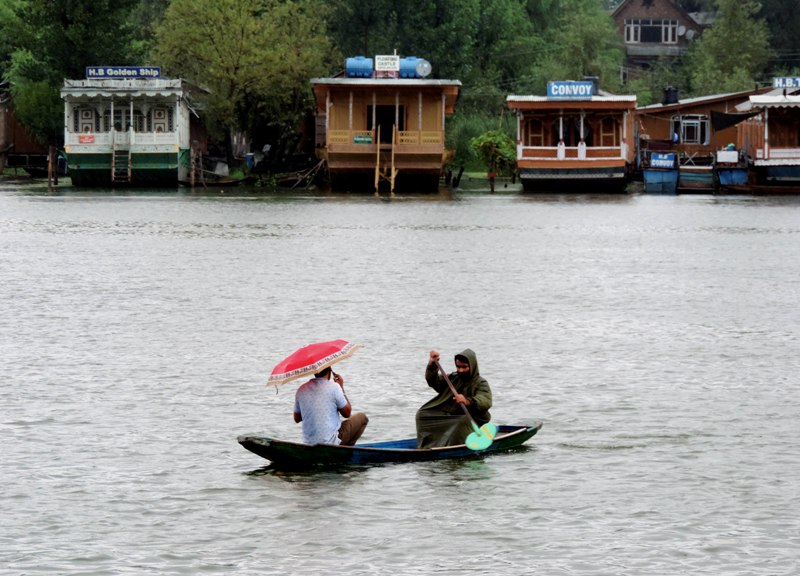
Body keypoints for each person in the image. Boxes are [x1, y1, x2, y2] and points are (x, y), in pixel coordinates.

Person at [415, 349, 492, 448]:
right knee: (422, 415)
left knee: (461, 421)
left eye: (464, 367)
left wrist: (467, 401)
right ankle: (428, 446)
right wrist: (432, 365)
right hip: (451, 416)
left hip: (473, 420)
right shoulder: (452, 378)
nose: (460, 370)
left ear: (472, 366)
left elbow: (485, 401)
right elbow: (434, 382)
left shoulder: (481, 383)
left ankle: (455, 446)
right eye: (458, 367)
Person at [293, 366, 368, 446]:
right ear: (330, 372)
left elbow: (297, 418)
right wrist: (341, 387)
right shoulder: (334, 387)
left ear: (314, 373)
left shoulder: (301, 390)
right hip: (330, 443)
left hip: (309, 444)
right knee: (362, 418)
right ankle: (345, 453)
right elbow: (347, 413)